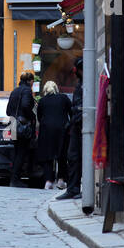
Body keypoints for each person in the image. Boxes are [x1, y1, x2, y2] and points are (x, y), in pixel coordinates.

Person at [35, 79, 72, 189]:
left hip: (46, 131)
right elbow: (71, 112)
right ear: (56, 89)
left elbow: (39, 117)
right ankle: (61, 179)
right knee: (62, 155)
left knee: (47, 156)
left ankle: (48, 181)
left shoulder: (42, 101)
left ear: (45, 90)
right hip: (62, 130)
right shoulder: (64, 98)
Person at [55, 57, 83, 200]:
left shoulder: (85, 85)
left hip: (80, 125)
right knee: (72, 158)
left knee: (76, 158)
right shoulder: (81, 84)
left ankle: (75, 188)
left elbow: (79, 106)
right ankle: (73, 188)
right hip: (76, 125)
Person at [6, 70, 37, 187]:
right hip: (22, 124)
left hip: (13, 123)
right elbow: (25, 106)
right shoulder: (27, 91)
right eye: (32, 81)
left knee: (16, 151)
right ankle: (15, 180)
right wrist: (31, 116)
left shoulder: (14, 91)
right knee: (21, 152)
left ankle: (14, 178)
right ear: (30, 81)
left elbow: (8, 111)